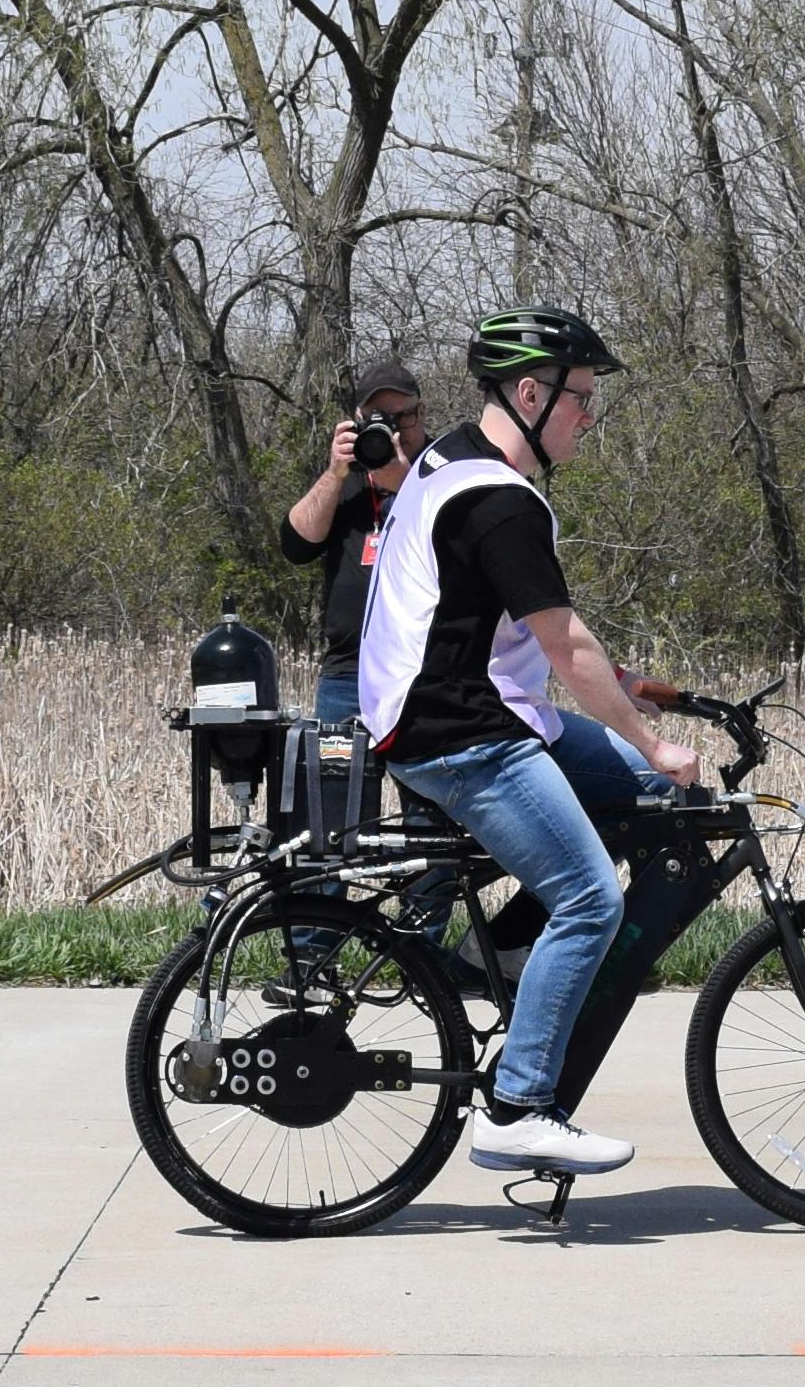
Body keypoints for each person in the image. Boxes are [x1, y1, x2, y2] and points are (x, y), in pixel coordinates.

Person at [361, 308, 718, 1178]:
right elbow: (564, 647)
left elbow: (514, 626)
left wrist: (624, 684)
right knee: (594, 897)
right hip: (460, 736)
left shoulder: (449, 456)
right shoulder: (498, 500)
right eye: (581, 398)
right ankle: (518, 1107)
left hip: (478, 712)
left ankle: (517, 951)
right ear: (530, 393)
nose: (588, 416)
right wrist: (655, 739)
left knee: (642, 792)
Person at [272, 355, 428, 727]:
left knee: (429, 786)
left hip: (425, 673)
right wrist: (334, 473)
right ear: (358, 419)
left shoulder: (442, 469)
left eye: (402, 416)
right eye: (379, 418)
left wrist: (405, 484)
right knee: (335, 783)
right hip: (348, 670)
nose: (393, 430)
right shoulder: (345, 478)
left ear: (422, 413)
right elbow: (296, 547)